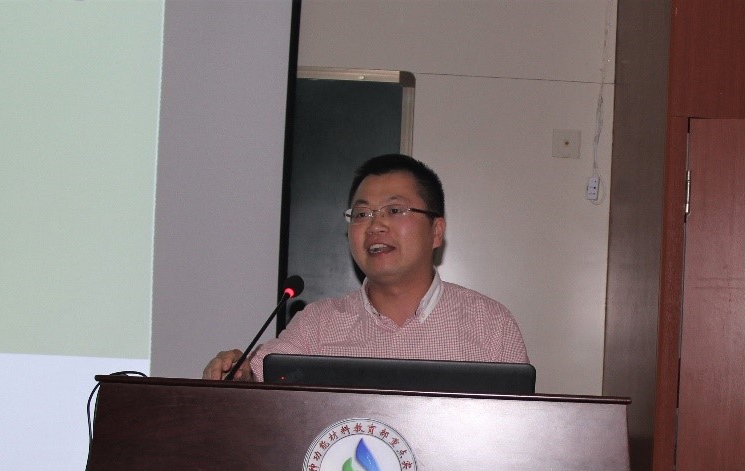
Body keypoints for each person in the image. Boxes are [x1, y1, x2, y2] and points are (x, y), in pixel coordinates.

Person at [202, 154, 529, 381]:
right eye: (362, 214)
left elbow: (519, 434)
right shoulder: (317, 326)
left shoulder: (491, 325)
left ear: (436, 231)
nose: (375, 225)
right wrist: (237, 373)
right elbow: (255, 381)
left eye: (394, 210)